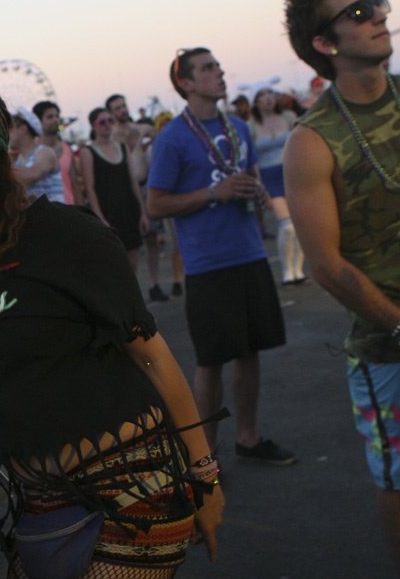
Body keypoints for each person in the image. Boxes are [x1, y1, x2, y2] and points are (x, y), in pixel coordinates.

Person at [0, 76, 224, 579]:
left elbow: (151, 353)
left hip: (132, 491)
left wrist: (205, 476)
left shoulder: (62, 233)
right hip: (38, 511)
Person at [283, 0, 399, 574]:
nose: (379, 15)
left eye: (376, 2)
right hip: (388, 348)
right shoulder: (313, 139)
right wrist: (399, 326)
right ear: (325, 43)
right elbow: (324, 265)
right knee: (399, 476)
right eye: (359, 12)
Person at [147, 48, 295, 465]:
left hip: (248, 252)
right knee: (211, 362)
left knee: (251, 351)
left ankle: (248, 437)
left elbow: (242, 174)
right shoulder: (173, 137)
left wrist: (257, 189)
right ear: (187, 84)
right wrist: (214, 193)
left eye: (218, 66)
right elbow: (156, 205)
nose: (220, 72)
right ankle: (204, 455)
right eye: (208, 68)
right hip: (207, 263)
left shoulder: (237, 127)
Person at [107, 94, 174, 301]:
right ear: (111, 113)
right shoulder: (112, 136)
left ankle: (155, 284)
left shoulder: (143, 129)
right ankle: (132, 292)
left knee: (152, 239)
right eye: (117, 108)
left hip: (147, 185)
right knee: (131, 244)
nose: (122, 110)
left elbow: (162, 139)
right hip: (126, 191)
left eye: (123, 105)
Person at [243, 80, 306, 285]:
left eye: (271, 93)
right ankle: (288, 270)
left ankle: (298, 270)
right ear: (255, 102)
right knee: (287, 226)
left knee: (300, 226)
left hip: (293, 174)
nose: (268, 98)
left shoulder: (290, 117)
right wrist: (260, 186)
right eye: (262, 95)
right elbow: (252, 161)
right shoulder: (251, 126)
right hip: (270, 179)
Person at [80, 107, 149, 272]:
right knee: (115, 263)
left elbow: (133, 181)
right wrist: (100, 218)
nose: (107, 125)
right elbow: (90, 188)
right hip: (108, 211)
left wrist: (143, 212)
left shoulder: (122, 147)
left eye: (110, 120)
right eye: (102, 122)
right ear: (93, 125)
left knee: (133, 261)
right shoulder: (87, 152)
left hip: (128, 209)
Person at [10, 107, 65, 203]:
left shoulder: (45, 152)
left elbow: (32, 175)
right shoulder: (19, 160)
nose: (7, 132)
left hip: (54, 216)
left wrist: (1, 161)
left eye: (11, 128)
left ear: (23, 129)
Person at [33, 100, 82, 204]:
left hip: (69, 209)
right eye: (50, 117)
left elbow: (74, 183)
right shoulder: (33, 150)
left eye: (57, 116)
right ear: (38, 120)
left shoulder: (67, 149)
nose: (55, 120)